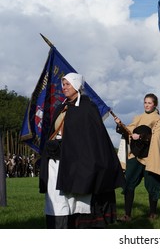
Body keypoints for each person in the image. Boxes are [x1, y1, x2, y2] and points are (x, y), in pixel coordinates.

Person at [39, 73, 124, 229]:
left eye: (67, 84)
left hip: (77, 164)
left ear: (77, 86)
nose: (64, 87)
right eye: (63, 84)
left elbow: (92, 139)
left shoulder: (88, 108)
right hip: (55, 161)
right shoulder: (61, 107)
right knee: (57, 199)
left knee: (75, 199)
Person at [114, 93, 160, 221]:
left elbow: (157, 137)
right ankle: (127, 215)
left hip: (150, 156)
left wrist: (141, 136)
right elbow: (129, 131)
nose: (147, 105)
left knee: (152, 185)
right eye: (145, 102)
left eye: (149, 103)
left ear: (155, 104)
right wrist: (121, 125)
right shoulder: (138, 118)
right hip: (136, 155)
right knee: (128, 183)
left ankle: (153, 213)